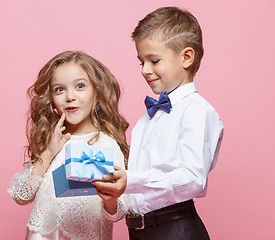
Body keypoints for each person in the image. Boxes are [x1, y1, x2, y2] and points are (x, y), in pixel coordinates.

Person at [93, 6, 224, 240]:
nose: (145, 70)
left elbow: (194, 179)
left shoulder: (197, 111)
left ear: (186, 57)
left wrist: (130, 180)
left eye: (154, 60)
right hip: (139, 231)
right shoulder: (146, 120)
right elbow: (138, 189)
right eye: (141, 62)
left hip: (175, 229)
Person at [7, 51, 129, 240]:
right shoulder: (52, 140)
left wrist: (111, 197)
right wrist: (48, 153)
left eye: (80, 86)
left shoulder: (107, 144)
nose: (70, 96)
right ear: (51, 98)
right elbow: (21, 196)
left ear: (97, 91)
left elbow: (117, 213)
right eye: (59, 89)